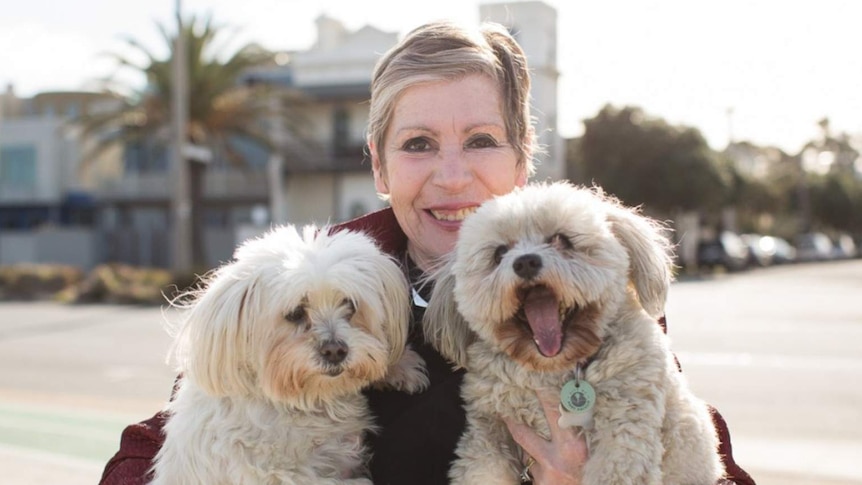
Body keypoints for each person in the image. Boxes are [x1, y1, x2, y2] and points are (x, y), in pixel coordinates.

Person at [99, 20, 755, 485]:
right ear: (379, 166)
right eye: (417, 144)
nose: (450, 175)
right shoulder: (306, 283)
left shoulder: (594, 285)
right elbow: (148, 447)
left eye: (480, 140)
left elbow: (710, 455)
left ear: (523, 158)